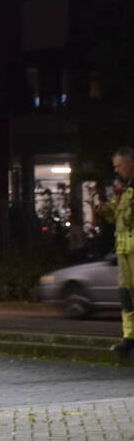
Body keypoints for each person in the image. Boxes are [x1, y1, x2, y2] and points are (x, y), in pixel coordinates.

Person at [98, 147, 134, 356]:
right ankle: (129, 337)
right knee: (126, 295)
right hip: (124, 250)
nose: (116, 170)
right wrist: (105, 210)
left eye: (119, 165)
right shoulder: (124, 189)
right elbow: (116, 217)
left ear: (131, 163)